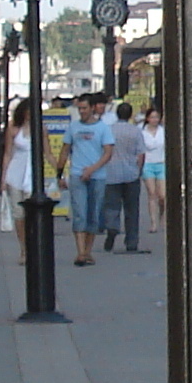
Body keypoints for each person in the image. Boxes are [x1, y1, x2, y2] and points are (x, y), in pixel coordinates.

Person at [64, 93, 111, 266]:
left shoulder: (103, 128)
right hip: (77, 174)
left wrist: (92, 169)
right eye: (79, 108)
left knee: (94, 214)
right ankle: (81, 252)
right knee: (79, 213)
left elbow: (108, 153)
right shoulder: (73, 127)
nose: (82, 112)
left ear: (92, 108)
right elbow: (65, 149)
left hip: (97, 175)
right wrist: (60, 173)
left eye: (84, 108)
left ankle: (88, 251)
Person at [100, 99, 147, 253]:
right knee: (132, 209)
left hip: (111, 173)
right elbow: (141, 154)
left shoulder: (108, 130)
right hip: (131, 173)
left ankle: (112, 227)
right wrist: (139, 170)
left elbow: (103, 150)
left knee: (112, 206)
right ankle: (131, 241)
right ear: (130, 114)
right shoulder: (135, 131)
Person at [140, 104, 168, 237]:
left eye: (157, 117)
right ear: (147, 118)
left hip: (161, 163)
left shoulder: (163, 131)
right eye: (152, 117)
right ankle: (153, 223)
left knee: (162, 196)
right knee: (152, 194)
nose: (155, 120)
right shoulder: (142, 132)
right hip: (148, 164)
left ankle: (162, 217)